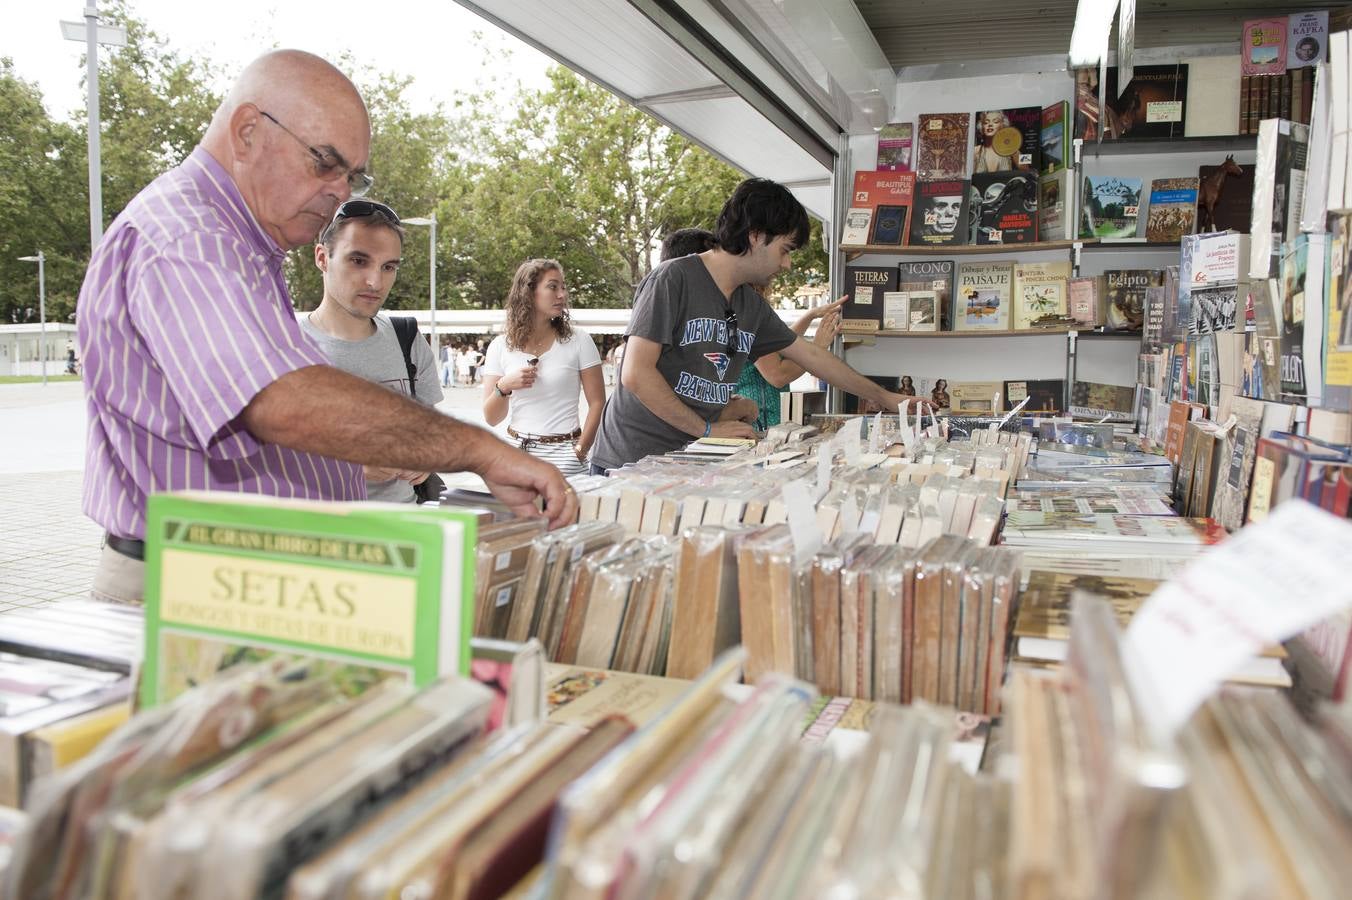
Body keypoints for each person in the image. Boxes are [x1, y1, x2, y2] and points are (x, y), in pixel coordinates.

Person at [77, 49, 575, 606]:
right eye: (323, 162)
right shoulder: (191, 240)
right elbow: (281, 400)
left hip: (227, 574)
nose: (340, 190)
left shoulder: (238, 243)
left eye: (353, 175)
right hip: (192, 581)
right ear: (246, 132)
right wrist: (483, 452)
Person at [590, 179, 918, 474]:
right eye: (785, 250)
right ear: (756, 236)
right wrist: (705, 430)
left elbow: (811, 356)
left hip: (688, 462)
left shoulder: (751, 305)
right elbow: (636, 374)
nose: (787, 264)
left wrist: (886, 397)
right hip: (629, 464)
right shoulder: (672, 279)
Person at [299, 199, 441, 503]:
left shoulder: (408, 339)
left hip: (407, 533)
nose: (375, 281)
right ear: (323, 258)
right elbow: (250, 459)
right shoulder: (281, 344)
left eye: (388, 267)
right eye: (358, 261)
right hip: (317, 536)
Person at [657, 228, 844, 432]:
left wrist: (809, 317)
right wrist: (818, 346)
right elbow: (776, 373)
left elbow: (780, 341)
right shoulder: (729, 304)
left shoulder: (743, 304)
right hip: (751, 419)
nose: (784, 265)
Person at [482, 259, 604, 476]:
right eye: (552, 286)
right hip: (515, 454)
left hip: (566, 455)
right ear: (529, 291)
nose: (562, 294)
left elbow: (597, 403)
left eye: (563, 287)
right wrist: (504, 386)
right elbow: (492, 418)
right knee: (517, 512)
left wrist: (580, 451)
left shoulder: (579, 340)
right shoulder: (499, 346)